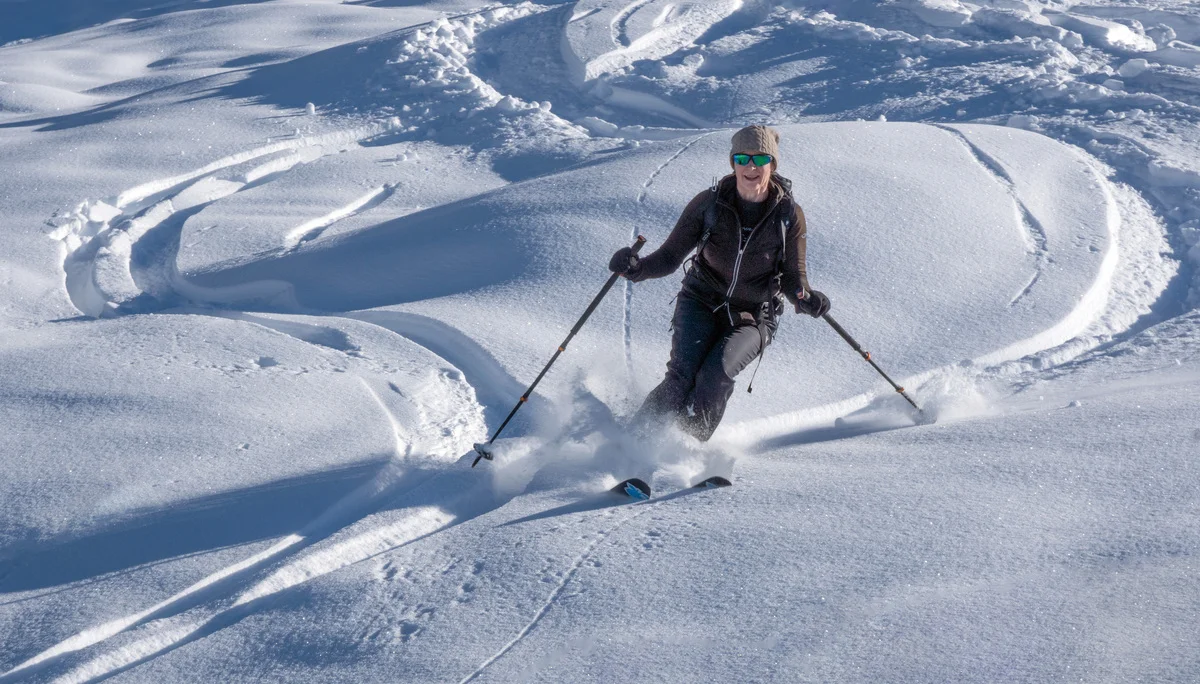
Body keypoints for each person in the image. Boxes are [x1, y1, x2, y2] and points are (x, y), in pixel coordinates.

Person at [608, 124, 830, 441]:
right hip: (700, 299)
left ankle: (685, 449)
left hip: (753, 315)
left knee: (714, 375)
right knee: (681, 377)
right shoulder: (709, 204)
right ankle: (631, 445)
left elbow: (795, 277)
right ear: (732, 163)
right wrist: (635, 267)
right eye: (742, 158)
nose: (750, 166)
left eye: (759, 158)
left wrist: (805, 297)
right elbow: (670, 256)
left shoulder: (787, 215)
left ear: (773, 164)